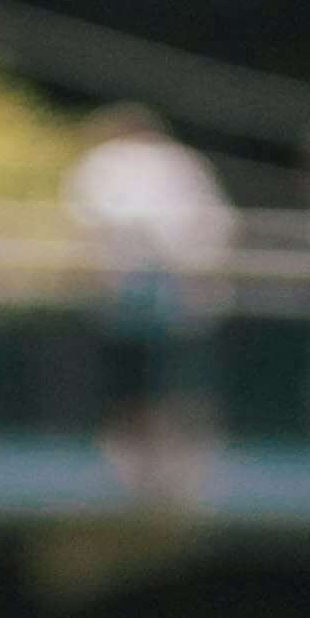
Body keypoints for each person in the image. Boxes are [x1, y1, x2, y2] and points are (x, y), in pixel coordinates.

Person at [60, 107, 234, 487]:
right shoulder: (179, 163)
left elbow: (92, 220)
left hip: (156, 286)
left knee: (152, 372)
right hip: (148, 286)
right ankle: (155, 451)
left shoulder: (116, 163)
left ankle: (153, 451)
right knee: (151, 371)